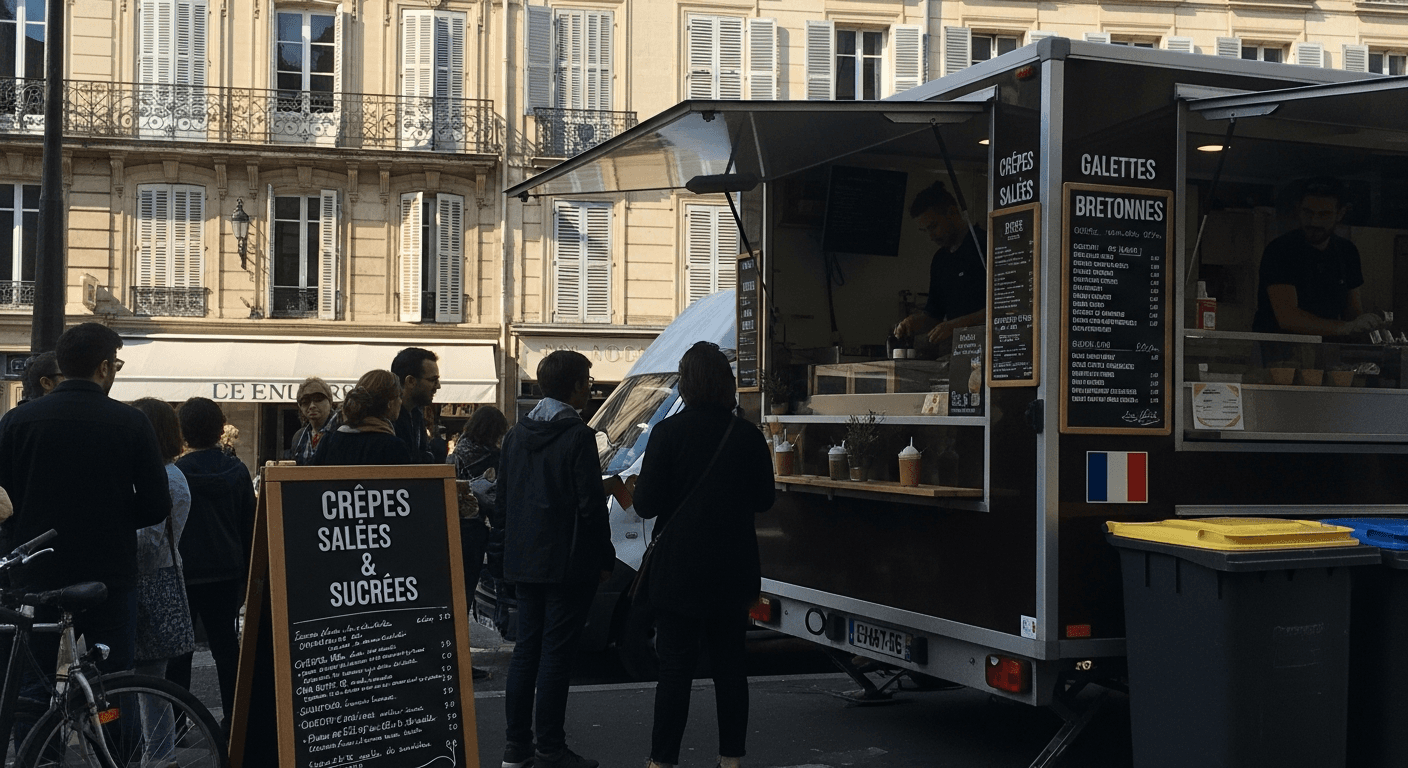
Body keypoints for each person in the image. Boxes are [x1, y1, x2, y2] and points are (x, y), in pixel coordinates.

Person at [0, 323, 170, 737]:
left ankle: (39, 758)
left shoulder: (17, 422)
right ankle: (111, 747)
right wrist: (111, 515)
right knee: (112, 683)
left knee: (33, 685)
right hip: (107, 573)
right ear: (103, 368)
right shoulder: (130, 422)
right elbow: (156, 505)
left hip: (35, 572)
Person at [632, 342, 775, 768]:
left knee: (674, 670)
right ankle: (730, 758)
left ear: (687, 384)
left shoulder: (667, 433)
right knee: (730, 667)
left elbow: (645, 505)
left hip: (678, 571)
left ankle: (663, 761)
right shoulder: (747, 436)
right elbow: (765, 500)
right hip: (733, 569)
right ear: (726, 384)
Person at [499, 351, 614, 768]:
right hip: (566, 562)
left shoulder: (515, 434)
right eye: (587, 379)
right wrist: (606, 555)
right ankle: (550, 747)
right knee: (555, 655)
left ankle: (516, 747)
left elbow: (505, 498)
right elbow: (589, 505)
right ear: (575, 386)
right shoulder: (577, 435)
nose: (590, 384)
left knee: (526, 651)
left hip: (525, 558)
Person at [169, 397, 256, 734]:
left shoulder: (177, 475)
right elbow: (249, 525)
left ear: (183, 433)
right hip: (226, 572)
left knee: (180, 653)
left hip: (185, 574)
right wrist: (247, 576)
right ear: (221, 429)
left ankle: (176, 725)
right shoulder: (236, 472)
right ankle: (236, 719)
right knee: (226, 649)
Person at [129, 398, 195, 766]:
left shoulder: (167, 478)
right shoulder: (164, 473)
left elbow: (149, 544)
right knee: (145, 685)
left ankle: (159, 757)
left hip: (153, 584)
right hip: (157, 581)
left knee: (150, 685)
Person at [1252, 178, 1386, 336]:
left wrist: (1367, 322)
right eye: (1308, 213)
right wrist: (1347, 327)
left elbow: (1353, 312)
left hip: (1330, 350)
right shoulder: (1281, 250)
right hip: (1280, 351)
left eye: (1324, 214)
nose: (1314, 221)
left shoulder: (1347, 251)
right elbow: (1288, 318)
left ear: (1340, 213)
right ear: (1298, 209)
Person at [893, 181, 988, 349]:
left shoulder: (985, 245)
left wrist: (954, 326)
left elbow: (1003, 309)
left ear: (952, 212)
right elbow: (934, 315)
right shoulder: (940, 261)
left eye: (933, 226)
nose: (931, 236)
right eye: (925, 231)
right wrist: (913, 322)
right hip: (957, 351)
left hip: (990, 347)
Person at [451, 406, 508, 681]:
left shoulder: (458, 451)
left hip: (454, 527)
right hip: (474, 531)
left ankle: (450, 655)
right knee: (465, 595)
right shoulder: (492, 459)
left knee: (455, 597)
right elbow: (497, 500)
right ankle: (462, 661)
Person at [310, 369, 416, 466]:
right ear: (389, 403)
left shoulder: (329, 442)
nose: (400, 401)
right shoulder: (394, 447)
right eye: (399, 396)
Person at [390, 347, 443, 464]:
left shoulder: (416, 414)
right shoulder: (390, 419)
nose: (438, 386)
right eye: (433, 380)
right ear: (410, 381)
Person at [287, 377, 337, 465]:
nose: (312, 405)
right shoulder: (299, 437)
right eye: (305, 401)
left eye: (318, 399)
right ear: (300, 406)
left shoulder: (342, 430)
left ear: (330, 401)